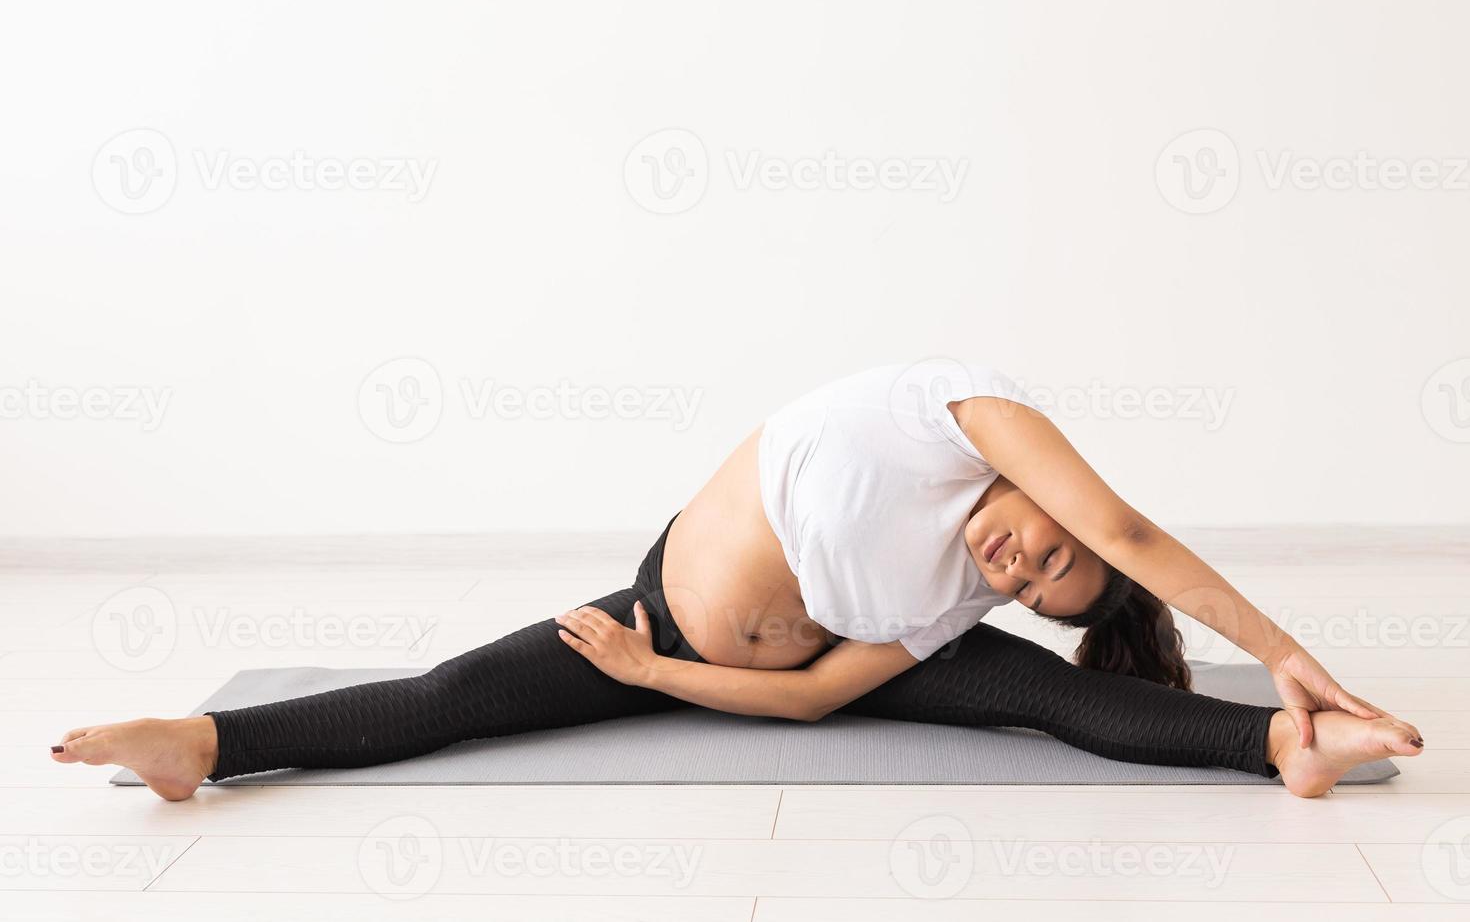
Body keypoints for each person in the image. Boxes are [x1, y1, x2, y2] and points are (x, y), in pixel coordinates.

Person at [52, 361, 1423, 800]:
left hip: (728, 665)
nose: (1025, 560)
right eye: (1042, 548)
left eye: (1037, 583)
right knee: (455, 694)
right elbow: (1123, 531)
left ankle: (1282, 752)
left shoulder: (953, 599)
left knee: (1054, 705)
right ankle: (205, 742)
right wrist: (1286, 640)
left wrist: (666, 689)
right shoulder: (963, 418)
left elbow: (823, 695)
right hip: (661, 616)